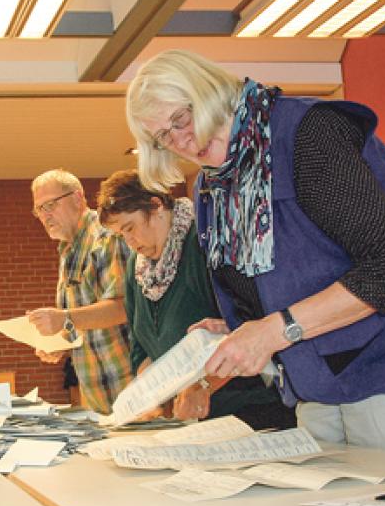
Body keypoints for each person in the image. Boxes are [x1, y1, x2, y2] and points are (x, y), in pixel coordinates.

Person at [125, 49, 385, 456]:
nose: (181, 141)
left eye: (180, 119)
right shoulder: (212, 187)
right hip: (316, 374)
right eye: (163, 136)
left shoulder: (307, 134)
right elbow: (288, 278)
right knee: (331, 493)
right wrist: (238, 327)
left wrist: (272, 331)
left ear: (209, 92)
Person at [96, 170, 295, 430]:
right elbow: (141, 348)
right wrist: (148, 398)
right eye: (121, 235)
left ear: (156, 206)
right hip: (193, 421)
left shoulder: (205, 242)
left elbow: (248, 325)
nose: (129, 241)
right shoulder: (138, 268)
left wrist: (203, 386)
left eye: (130, 228)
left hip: (249, 410)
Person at [27, 169, 132, 414]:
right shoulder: (68, 248)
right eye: (39, 209)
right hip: (99, 394)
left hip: (132, 387)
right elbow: (83, 318)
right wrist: (61, 341)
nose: (45, 215)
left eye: (50, 205)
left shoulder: (106, 237)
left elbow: (122, 307)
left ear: (77, 198)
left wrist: (64, 318)